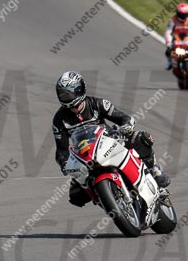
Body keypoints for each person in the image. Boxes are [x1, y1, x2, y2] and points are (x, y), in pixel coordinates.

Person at [52, 71, 170, 207]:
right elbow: (61, 150)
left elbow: (123, 118)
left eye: (68, 94)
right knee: (75, 196)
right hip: (85, 156)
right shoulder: (59, 119)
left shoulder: (97, 104)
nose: (66, 98)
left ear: (79, 90)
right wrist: (65, 163)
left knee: (142, 138)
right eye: (62, 94)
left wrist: (125, 127)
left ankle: (155, 171)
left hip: (110, 142)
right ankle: (107, 200)